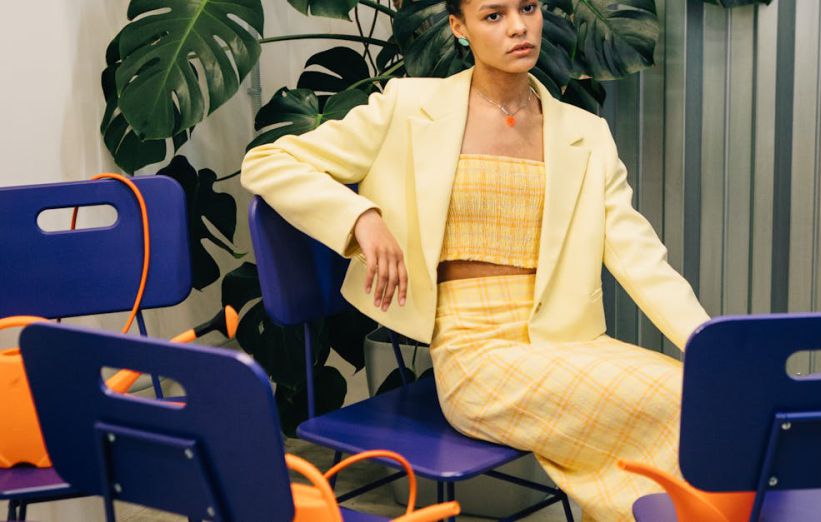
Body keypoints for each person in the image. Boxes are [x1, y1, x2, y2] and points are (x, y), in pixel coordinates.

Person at [241, 0, 710, 517]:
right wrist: (360, 217)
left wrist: (714, 345)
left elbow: (639, 255)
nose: (517, 27)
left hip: (566, 341)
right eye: (493, 15)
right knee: (680, 406)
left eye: (527, 8)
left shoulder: (585, 134)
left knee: (696, 392)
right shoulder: (406, 106)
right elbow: (267, 160)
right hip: (473, 353)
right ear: (458, 28)